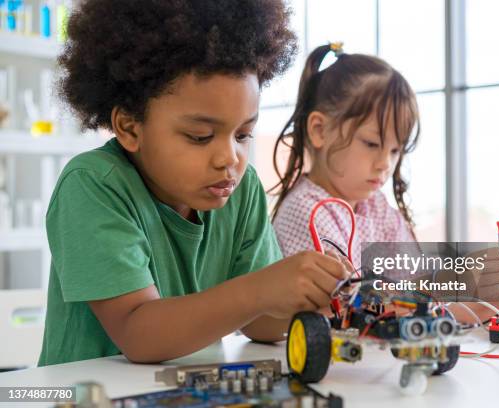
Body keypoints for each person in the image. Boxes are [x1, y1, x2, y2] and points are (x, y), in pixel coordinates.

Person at [38, 0, 349, 366]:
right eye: (201, 136)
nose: (229, 157)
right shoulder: (93, 186)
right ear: (129, 127)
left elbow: (261, 324)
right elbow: (139, 334)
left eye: (243, 134)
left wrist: (307, 293)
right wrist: (261, 289)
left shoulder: (240, 188)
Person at [270, 44, 499, 320]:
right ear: (319, 130)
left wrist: (470, 287)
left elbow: (412, 288)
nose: (386, 163)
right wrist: (463, 312)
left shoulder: (375, 207)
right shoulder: (307, 211)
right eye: (372, 144)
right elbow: (346, 307)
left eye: (395, 150)